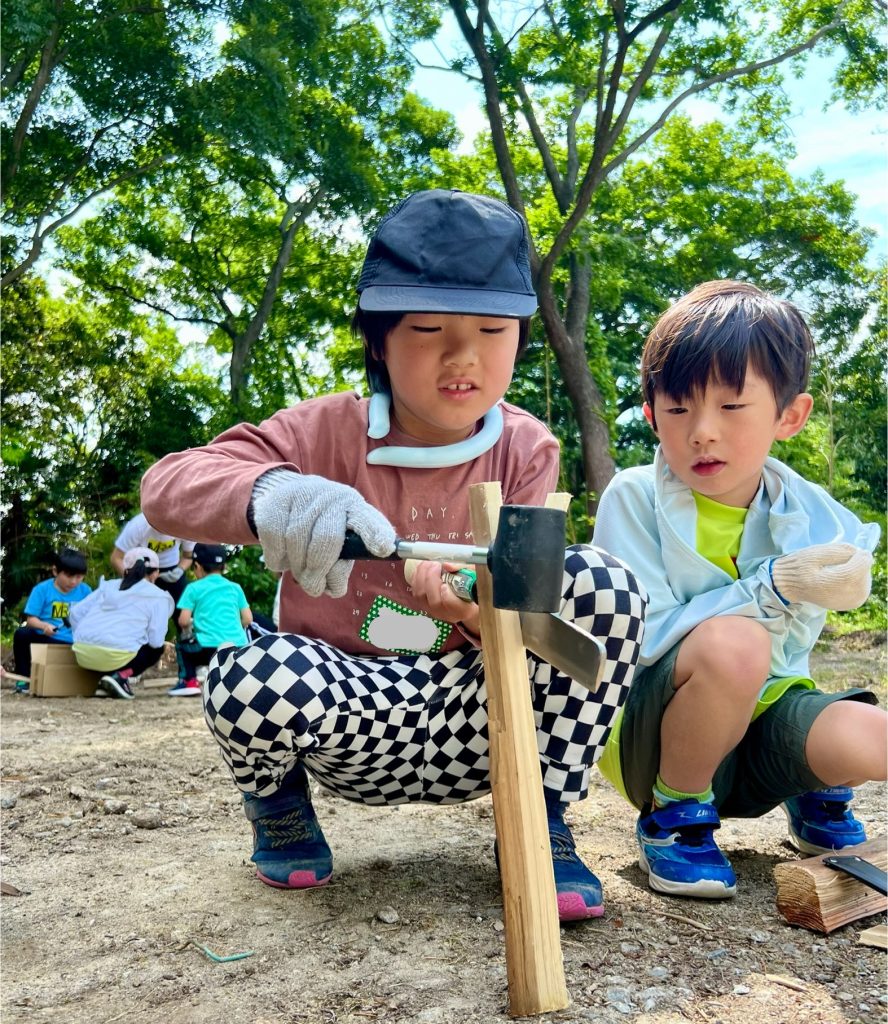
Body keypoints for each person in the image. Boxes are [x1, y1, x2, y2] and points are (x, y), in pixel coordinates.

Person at [141, 188, 647, 922]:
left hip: (476, 713)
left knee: (603, 583)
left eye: (492, 330)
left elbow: (534, 610)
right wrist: (276, 494)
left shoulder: (524, 447)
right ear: (379, 337)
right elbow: (168, 485)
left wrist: (471, 610)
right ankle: (277, 803)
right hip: (349, 715)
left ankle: (539, 820)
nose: (463, 355)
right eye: (429, 326)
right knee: (247, 670)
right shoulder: (321, 432)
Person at [593, 279, 885, 899]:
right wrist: (771, 587)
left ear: (789, 416)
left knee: (870, 733)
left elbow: (856, 553)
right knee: (737, 644)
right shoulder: (634, 498)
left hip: (765, 715)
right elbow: (640, 639)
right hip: (658, 729)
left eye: (730, 407)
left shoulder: (805, 505)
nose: (702, 431)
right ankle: (673, 817)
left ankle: (805, 789)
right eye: (678, 408)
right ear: (651, 413)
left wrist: (851, 575)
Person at [70, 547, 174, 699]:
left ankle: (104, 682)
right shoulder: (158, 597)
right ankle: (120, 676)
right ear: (156, 572)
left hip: (82, 654)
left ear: (126, 569)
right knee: (155, 650)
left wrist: (82, 637)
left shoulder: (108, 586)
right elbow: (156, 641)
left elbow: (75, 613)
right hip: (115, 658)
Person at [170, 543, 253, 698]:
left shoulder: (193, 588)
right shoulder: (235, 587)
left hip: (207, 648)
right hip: (237, 646)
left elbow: (183, 621)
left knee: (182, 646)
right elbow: (248, 618)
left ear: (197, 566)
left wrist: (195, 625)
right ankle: (237, 682)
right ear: (223, 566)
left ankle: (188, 681)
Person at [13, 547, 92, 680]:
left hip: (74, 642)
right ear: (55, 571)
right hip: (47, 638)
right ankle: (23, 679)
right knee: (22, 634)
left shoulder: (86, 591)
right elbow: (31, 619)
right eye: (68, 576)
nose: (73, 582)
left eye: (79, 577)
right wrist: (44, 626)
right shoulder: (42, 590)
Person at [111, 512, 195, 629]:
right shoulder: (138, 525)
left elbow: (188, 556)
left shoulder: (184, 526)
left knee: (183, 610)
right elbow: (116, 558)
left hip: (172, 570)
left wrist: (180, 570)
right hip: (143, 570)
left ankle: (187, 643)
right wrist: (133, 579)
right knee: (142, 616)